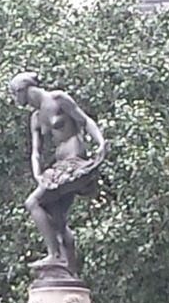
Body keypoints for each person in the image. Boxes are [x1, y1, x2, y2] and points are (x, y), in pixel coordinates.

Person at [9, 72, 105, 279]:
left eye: (15, 94)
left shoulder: (58, 99)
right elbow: (36, 152)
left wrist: (101, 143)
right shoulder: (35, 118)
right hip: (58, 167)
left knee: (33, 202)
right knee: (57, 219)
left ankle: (54, 255)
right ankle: (70, 270)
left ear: (23, 90)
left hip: (74, 161)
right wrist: (38, 175)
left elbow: (85, 120)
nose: (15, 99)